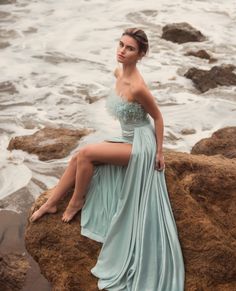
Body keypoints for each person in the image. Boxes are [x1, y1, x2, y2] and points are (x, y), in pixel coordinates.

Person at [30, 28, 185, 291]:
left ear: (141, 54)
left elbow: (158, 118)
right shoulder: (118, 73)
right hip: (126, 138)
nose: (122, 51)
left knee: (87, 153)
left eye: (130, 48)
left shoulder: (137, 86)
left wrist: (159, 152)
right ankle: (53, 203)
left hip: (140, 144)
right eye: (121, 44)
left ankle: (77, 200)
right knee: (78, 156)